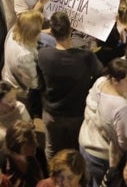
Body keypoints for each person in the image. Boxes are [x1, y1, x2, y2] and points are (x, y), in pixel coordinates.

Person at [36, 11, 103, 160]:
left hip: (52, 113)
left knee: (52, 148)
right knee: (76, 149)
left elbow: (38, 82)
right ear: (71, 30)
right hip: (77, 112)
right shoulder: (87, 56)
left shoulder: (43, 55)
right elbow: (101, 75)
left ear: (51, 32)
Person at [78, 58, 127, 187]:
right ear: (115, 80)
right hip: (101, 154)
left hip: (85, 142)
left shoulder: (100, 81)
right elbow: (123, 143)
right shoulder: (122, 108)